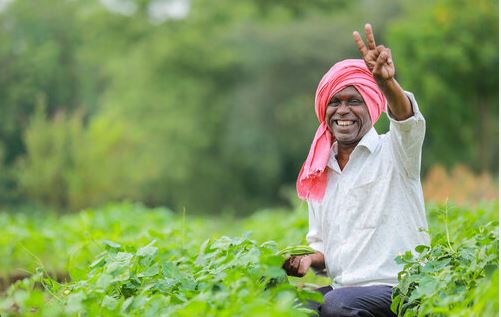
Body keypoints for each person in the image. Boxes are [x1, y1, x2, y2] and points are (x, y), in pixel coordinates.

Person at [283, 24, 430, 317]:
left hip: (397, 288)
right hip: (343, 290)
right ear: (324, 109)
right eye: (335, 102)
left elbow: (405, 119)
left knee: (337, 306)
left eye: (354, 101)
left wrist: (387, 84)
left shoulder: (397, 151)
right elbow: (325, 250)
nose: (343, 110)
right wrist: (305, 260)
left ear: (372, 106)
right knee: (282, 301)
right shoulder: (319, 170)